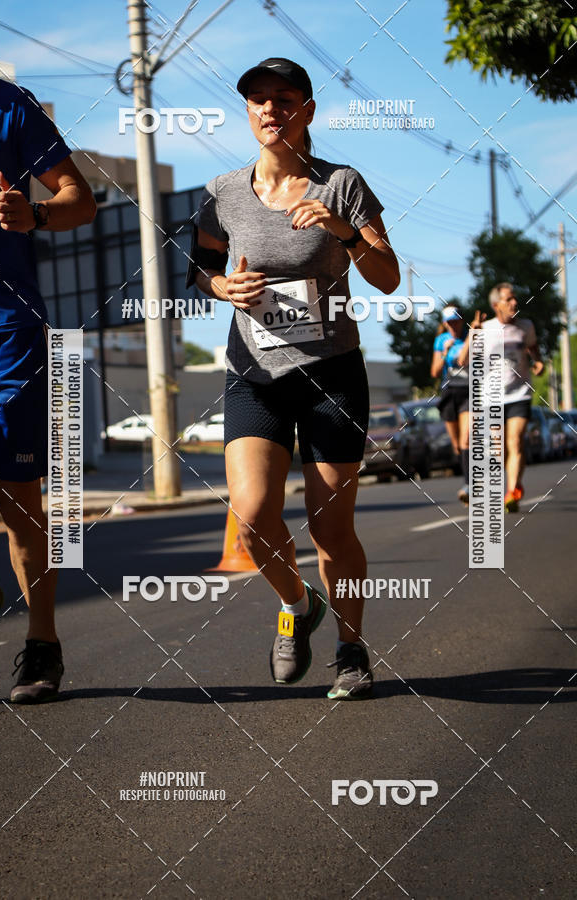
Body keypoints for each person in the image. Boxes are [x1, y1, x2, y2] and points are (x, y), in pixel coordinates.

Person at [189, 57, 399, 698]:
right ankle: (297, 604)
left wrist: (342, 230)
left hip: (331, 375)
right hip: (254, 374)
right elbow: (199, 267)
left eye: (283, 98)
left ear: (307, 110)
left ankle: (352, 649)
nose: (270, 109)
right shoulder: (223, 191)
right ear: (247, 111)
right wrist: (222, 287)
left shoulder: (342, 183)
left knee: (331, 528)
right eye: (258, 99)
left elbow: (388, 275)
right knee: (252, 517)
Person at [0, 66, 96, 701]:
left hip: (6, 333)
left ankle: (43, 642)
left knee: (19, 500)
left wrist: (36, 214)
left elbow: (82, 199)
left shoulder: (8, 108)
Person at [480, 283, 544, 512]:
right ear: (496, 305)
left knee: (515, 440)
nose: (514, 302)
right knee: (500, 450)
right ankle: (514, 484)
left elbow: (533, 347)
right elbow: (465, 360)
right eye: (508, 299)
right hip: (492, 397)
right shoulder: (485, 328)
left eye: (515, 298)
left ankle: (512, 491)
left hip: (520, 393)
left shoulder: (526, 326)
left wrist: (538, 362)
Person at [430, 304, 473, 504]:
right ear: (445, 324)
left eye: (456, 321)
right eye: (449, 323)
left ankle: (469, 485)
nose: (453, 326)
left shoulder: (471, 337)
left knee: (466, 439)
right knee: (457, 445)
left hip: (470, 392)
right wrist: (445, 352)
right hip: (449, 393)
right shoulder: (441, 341)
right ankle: (470, 476)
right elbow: (435, 372)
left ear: (461, 321)